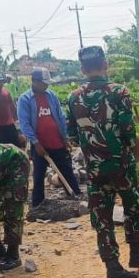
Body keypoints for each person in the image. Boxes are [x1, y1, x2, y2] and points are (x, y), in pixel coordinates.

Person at [66, 45, 139, 278]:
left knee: (102, 216)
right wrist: (134, 147)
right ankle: (136, 254)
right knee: (132, 207)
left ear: (82, 69)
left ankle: (112, 267)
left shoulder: (74, 97)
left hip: (95, 169)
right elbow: (128, 132)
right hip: (121, 165)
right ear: (106, 65)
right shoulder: (119, 92)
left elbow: (71, 134)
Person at [17, 67, 83, 206]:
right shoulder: (25, 99)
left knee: (66, 170)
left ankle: (75, 195)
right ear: (34, 81)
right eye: (43, 82)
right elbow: (25, 124)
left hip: (57, 142)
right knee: (39, 175)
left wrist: (65, 138)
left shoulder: (51, 96)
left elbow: (60, 116)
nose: (46, 85)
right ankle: (37, 203)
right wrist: (36, 143)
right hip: (40, 145)